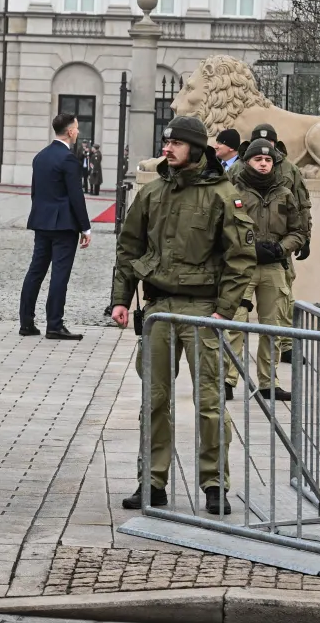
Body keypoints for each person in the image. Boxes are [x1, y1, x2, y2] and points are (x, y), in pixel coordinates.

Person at [110, 116, 257, 516]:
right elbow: (128, 248)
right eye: (165, 141)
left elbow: (241, 258)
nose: (167, 147)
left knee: (209, 401)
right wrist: (121, 299)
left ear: (195, 147)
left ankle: (214, 484)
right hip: (158, 309)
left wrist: (223, 309)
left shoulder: (223, 194)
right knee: (154, 400)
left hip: (202, 310)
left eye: (175, 142)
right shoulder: (152, 193)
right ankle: (152, 482)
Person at [226, 139, 306, 401]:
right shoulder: (233, 191)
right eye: (258, 160)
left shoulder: (284, 193)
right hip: (242, 268)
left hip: (273, 267)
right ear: (247, 161)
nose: (263, 164)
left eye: (268, 160)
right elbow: (223, 227)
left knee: (272, 326)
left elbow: (298, 230)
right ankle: (227, 379)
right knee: (235, 324)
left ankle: (268, 383)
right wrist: (248, 248)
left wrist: (282, 249)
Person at [21, 113, 93, 340]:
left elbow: (35, 192)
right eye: (77, 129)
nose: (78, 132)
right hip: (63, 225)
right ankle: (54, 324)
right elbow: (76, 195)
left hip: (41, 222)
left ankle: (26, 322)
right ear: (70, 131)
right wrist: (86, 228)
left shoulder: (40, 157)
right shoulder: (68, 159)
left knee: (36, 271)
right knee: (59, 274)